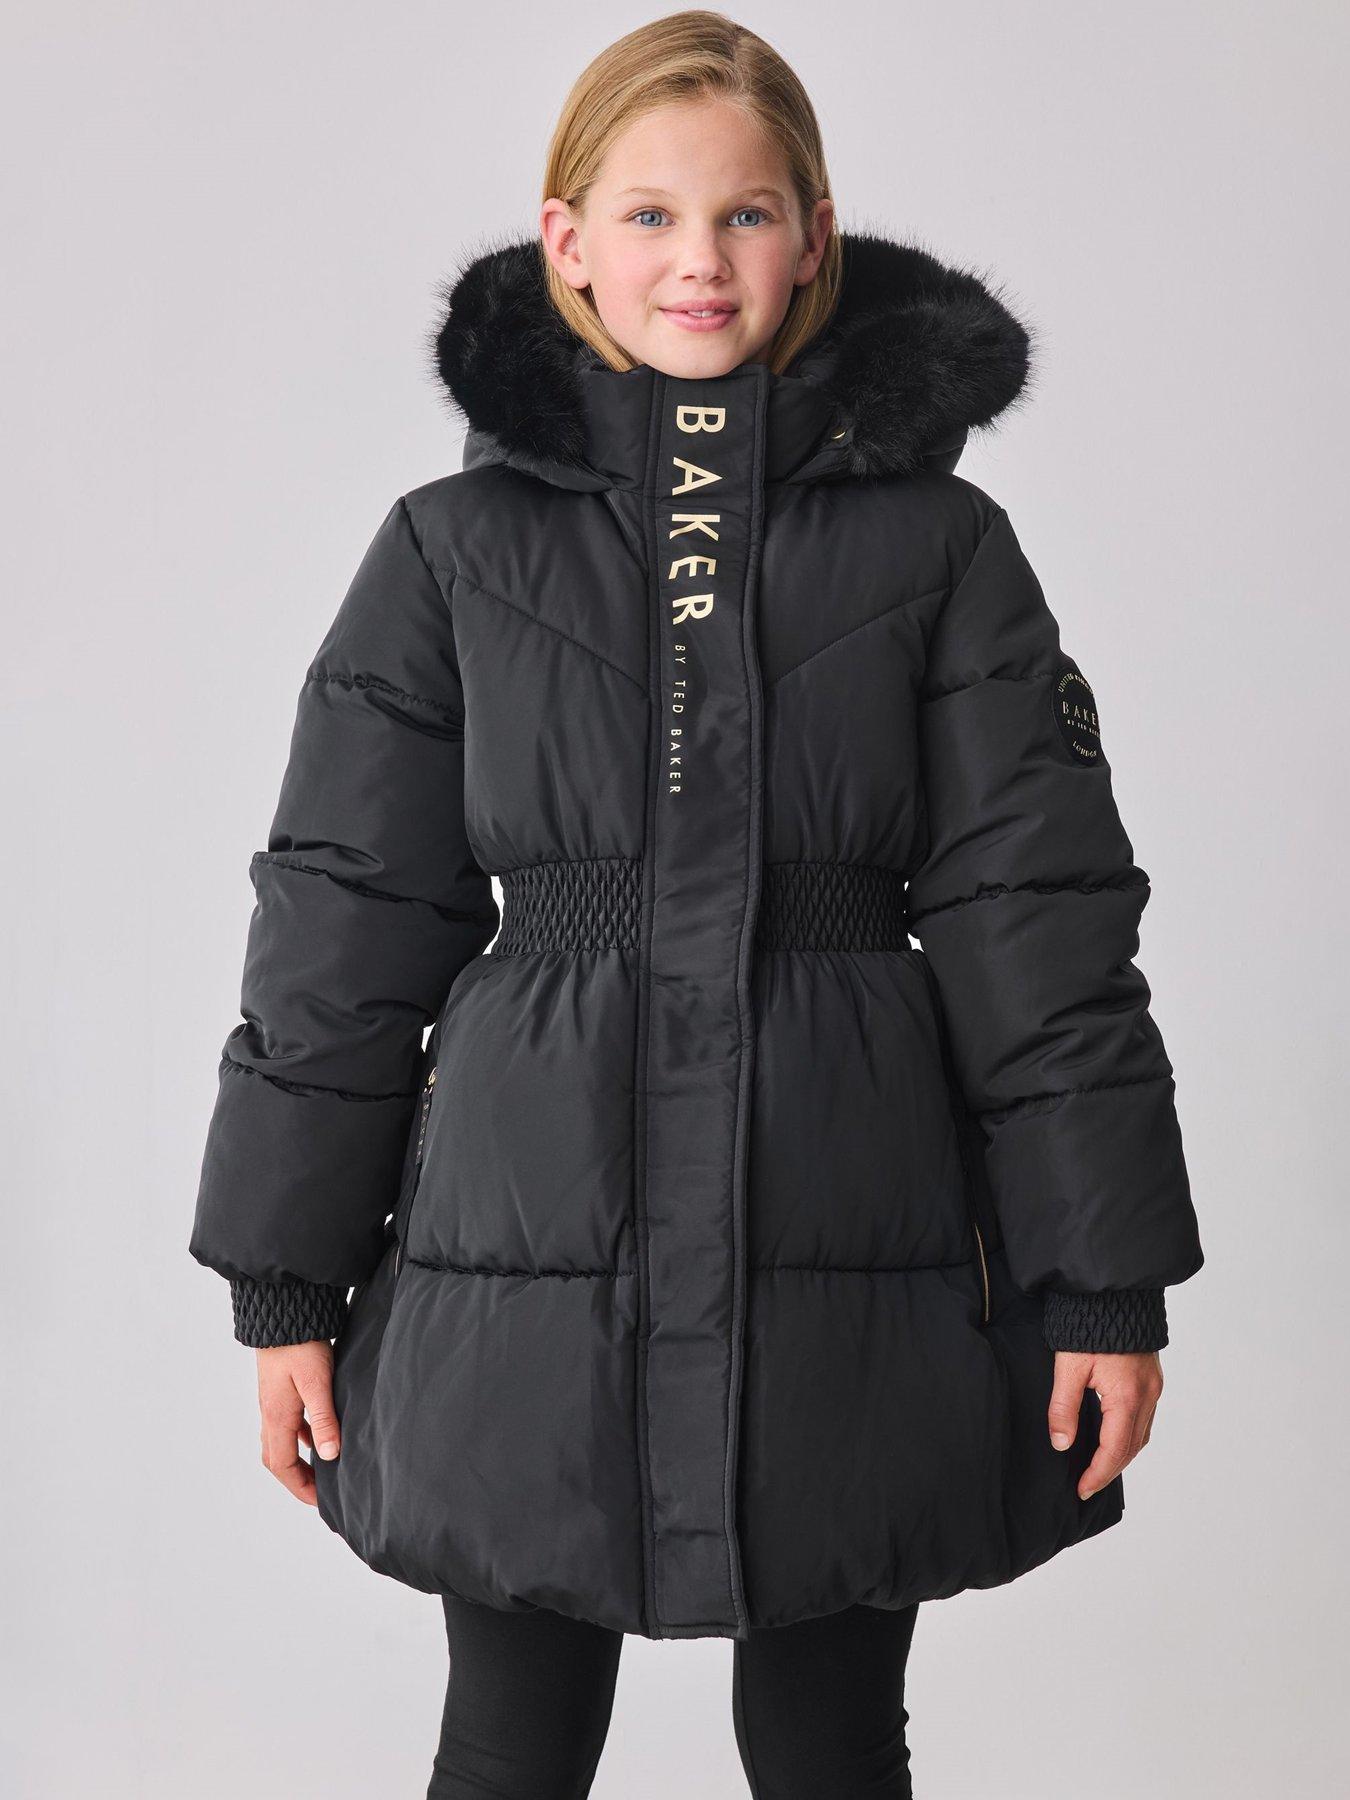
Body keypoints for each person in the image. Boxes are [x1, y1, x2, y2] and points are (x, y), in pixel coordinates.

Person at [188, 12, 1205, 1796]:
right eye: (648, 215)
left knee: (829, 1737)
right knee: (511, 1735)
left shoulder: (940, 549)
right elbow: (344, 924)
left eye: (743, 214)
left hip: (851, 1203)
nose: (698, 260)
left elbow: (1038, 928)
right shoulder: (451, 551)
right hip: (524, 1216)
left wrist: (1103, 1282)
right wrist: (283, 1274)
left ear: (813, 236)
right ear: (566, 241)